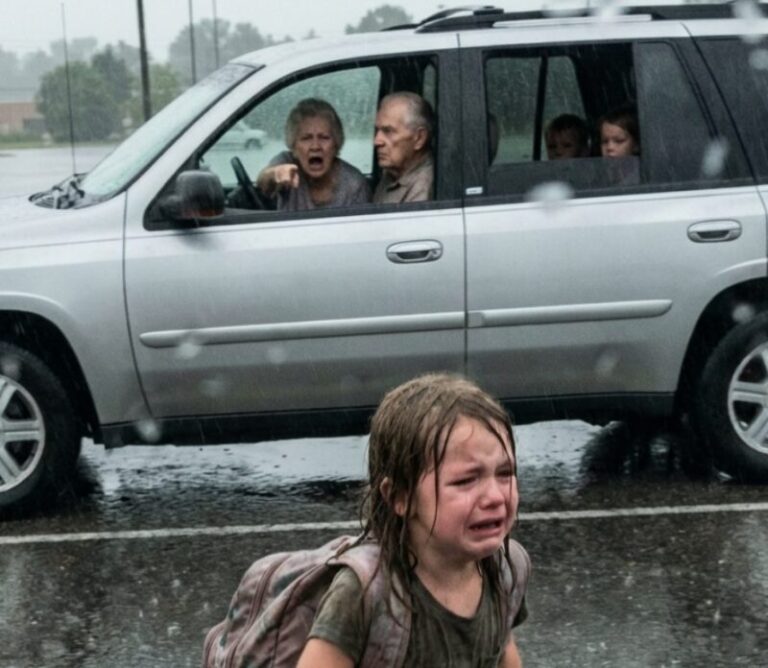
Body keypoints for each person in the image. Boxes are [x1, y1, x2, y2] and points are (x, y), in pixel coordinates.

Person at [296, 373, 530, 668]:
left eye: (505, 473)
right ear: (400, 497)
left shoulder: (506, 568)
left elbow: (503, 650)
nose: (495, 496)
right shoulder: (365, 594)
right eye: (466, 480)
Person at [256, 98, 370, 210]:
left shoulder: (354, 184)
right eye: (306, 138)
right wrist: (276, 174)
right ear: (294, 146)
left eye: (324, 137)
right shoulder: (287, 162)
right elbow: (263, 182)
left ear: (336, 144)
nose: (315, 146)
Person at [373, 92, 435, 203]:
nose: (377, 141)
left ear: (419, 138)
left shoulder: (424, 186)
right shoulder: (393, 172)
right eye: (377, 130)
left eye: (388, 131)